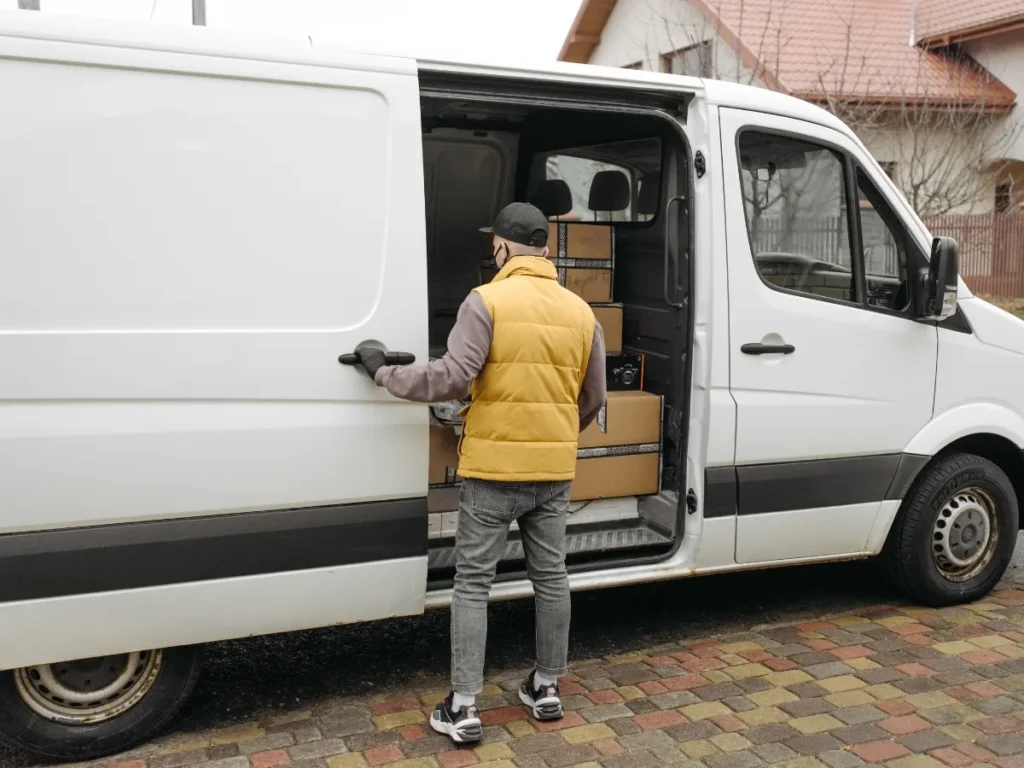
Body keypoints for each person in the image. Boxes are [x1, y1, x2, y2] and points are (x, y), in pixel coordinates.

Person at [357, 202, 607, 745]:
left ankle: (464, 707)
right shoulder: (580, 311)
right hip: (553, 470)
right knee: (552, 577)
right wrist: (558, 435)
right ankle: (545, 688)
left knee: (473, 583)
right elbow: (594, 397)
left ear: (500, 247)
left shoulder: (486, 300)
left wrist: (383, 372)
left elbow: (451, 378)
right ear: (544, 247)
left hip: (493, 470)